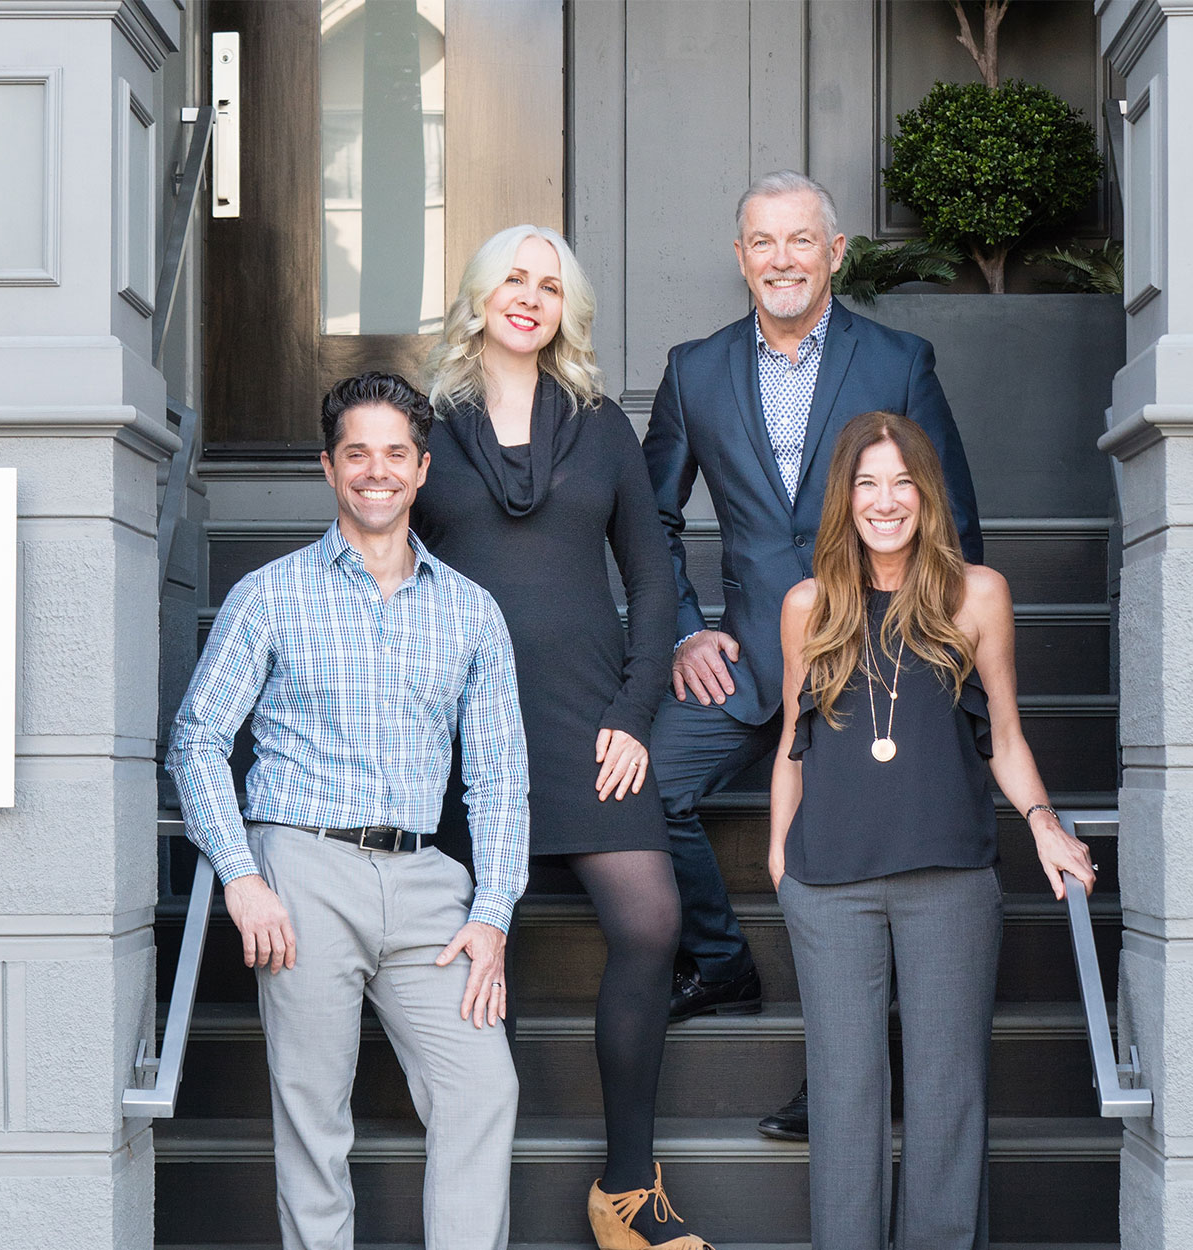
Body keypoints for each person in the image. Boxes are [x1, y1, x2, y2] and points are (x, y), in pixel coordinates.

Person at [642, 169, 983, 1139]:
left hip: (880, 668)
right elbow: (649, 519)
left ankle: (856, 1060)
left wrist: (940, 667)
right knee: (643, 788)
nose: (781, 259)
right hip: (746, 659)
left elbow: (953, 515)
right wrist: (684, 626)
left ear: (834, 253)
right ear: (739, 256)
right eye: (762, 241)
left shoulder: (897, 358)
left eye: (801, 240)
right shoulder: (693, 368)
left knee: (859, 851)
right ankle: (718, 960)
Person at [167, 372, 527, 1250]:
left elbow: (502, 774)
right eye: (356, 454)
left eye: (394, 454)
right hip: (303, 875)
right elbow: (196, 739)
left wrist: (493, 913)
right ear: (330, 469)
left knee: (484, 1088)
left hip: (427, 888)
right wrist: (244, 878)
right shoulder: (270, 594)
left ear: (422, 468)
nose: (377, 471)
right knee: (314, 1115)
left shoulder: (471, 612)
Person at [412, 225, 710, 1250]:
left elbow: (654, 582)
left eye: (547, 284)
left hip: (590, 725)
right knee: (454, 947)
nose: (528, 297)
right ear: (478, 296)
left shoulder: (600, 426)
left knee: (648, 919)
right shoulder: (426, 424)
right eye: (511, 280)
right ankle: (466, 1194)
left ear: (564, 309)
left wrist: (632, 716)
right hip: (457, 735)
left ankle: (627, 1187)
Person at [768, 411, 1096, 1249]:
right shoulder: (808, 605)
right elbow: (791, 746)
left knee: (948, 1096)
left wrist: (1044, 825)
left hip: (949, 879)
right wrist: (780, 859)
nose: (886, 501)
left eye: (902, 483)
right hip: (829, 884)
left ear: (927, 494)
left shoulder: (977, 594)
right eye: (867, 484)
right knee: (844, 1099)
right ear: (846, 498)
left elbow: (1007, 736)